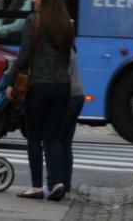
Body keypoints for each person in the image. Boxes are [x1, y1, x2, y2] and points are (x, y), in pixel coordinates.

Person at [5, 0, 74, 202]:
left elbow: (23, 56)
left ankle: (36, 186)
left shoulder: (33, 21)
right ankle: (58, 182)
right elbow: (65, 58)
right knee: (53, 137)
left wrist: (10, 82)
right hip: (62, 86)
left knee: (34, 136)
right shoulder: (66, 23)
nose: (33, 0)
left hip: (39, 87)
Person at [47, 48, 84, 200]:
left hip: (67, 98)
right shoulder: (68, 47)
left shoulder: (58, 50)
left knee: (51, 138)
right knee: (65, 142)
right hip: (78, 95)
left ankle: (56, 184)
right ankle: (66, 186)